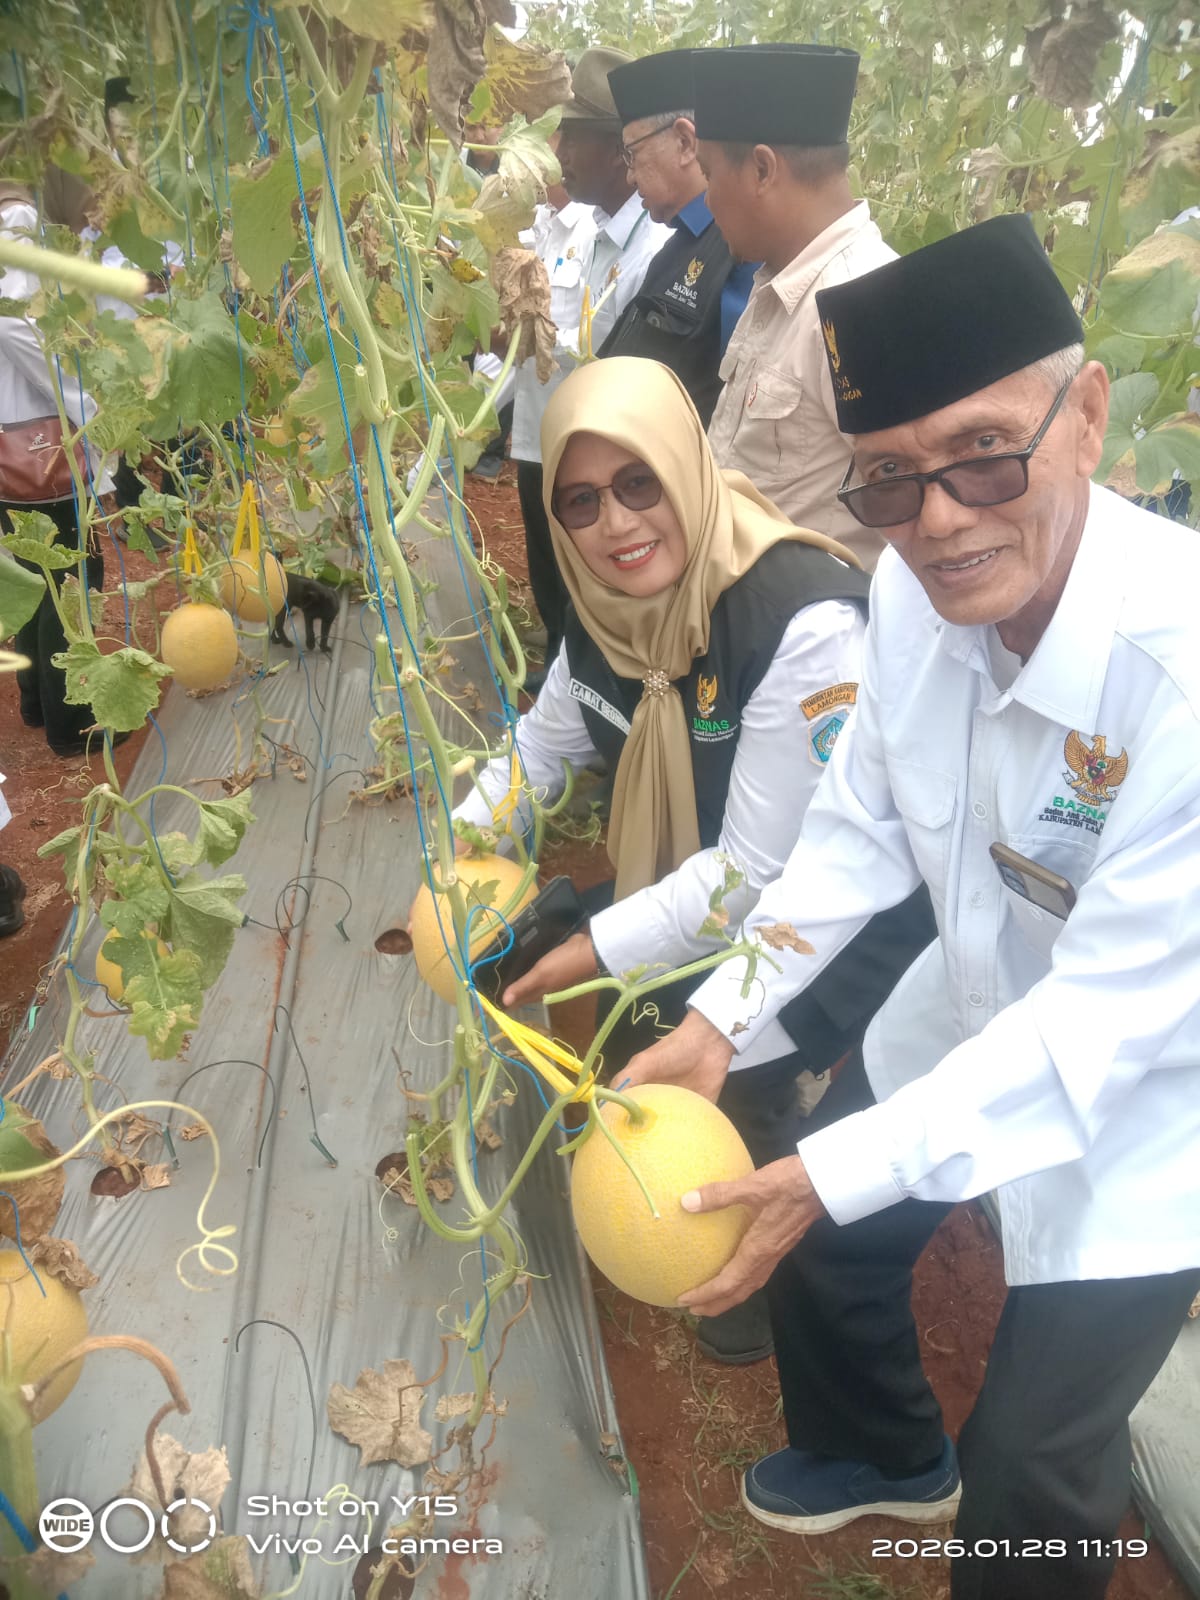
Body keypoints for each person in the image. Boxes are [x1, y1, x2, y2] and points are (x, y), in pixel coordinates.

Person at [620, 213, 1200, 1600]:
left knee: (1035, 1470)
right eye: (889, 480)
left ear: (1089, 417)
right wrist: (722, 1022)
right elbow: (856, 831)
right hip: (972, 1005)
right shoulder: (907, 604)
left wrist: (836, 1162)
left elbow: (1104, 1021)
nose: (940, 519)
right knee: (826, 1238)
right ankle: (882, 1450)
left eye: (985, 454)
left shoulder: (1177, 676)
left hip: (1155, 1104)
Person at [456, 355, 934, 1362]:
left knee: (730, 1058)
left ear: (686, 466)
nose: (617, 525)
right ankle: (687, 1211)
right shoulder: (600, 609)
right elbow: (546, 743)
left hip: (828, 918)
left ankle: (738, 1281)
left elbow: (751, 879)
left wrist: (594, 948)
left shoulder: (800, 621)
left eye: (640, 484)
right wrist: (467, 835)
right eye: (581, 502)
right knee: (654, 1015)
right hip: (694, 888)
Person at [695, 46, 895, 570]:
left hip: (813, 637)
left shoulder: (859, 300)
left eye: (708, 173)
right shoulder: (779, 284)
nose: (706, 197)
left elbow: (912, 516)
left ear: (762, 169)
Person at [515, 49, 672, 688]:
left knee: (596, 587)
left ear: (618, 153)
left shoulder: (656, 246)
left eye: (572, 138)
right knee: (553, 576)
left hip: (599, 462)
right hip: (544, 438)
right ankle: (560, 679)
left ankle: (589, 700)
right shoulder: (582, 229)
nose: (559, 154)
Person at [0, 180, 117, 758]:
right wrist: (82, 403)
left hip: (8, 441)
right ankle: (73, 724)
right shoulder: (16, 218)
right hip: (42, 444)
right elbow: (15, 324)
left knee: (31, 573)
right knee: (70, 581)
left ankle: (36, 702)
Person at [600, 50, 756, 426]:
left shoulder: (740, 250)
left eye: (632, 154)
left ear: (686, 143)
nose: (630, 177)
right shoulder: (678, 245)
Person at [509, 179, 597, 678]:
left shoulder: (589, 231)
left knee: (574, 551)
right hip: (533, 424)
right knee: (541, 541)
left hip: (575, 429)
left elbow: (595, 331)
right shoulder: (534, 227)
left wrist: (531, 337)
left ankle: (573, 664)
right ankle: (556, 640)